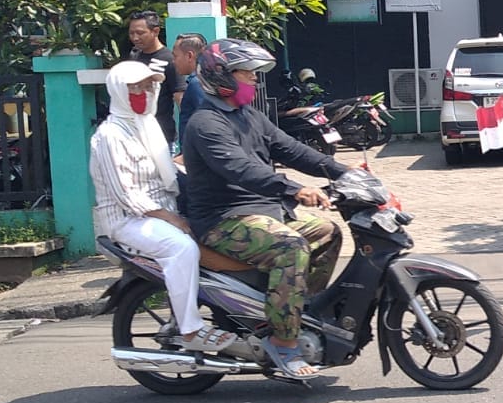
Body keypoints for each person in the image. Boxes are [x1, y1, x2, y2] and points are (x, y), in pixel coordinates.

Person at [182, 38, 349, 381]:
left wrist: (344, 172)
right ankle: (283, 341)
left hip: (264, 211)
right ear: (222, 76)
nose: (256, 81)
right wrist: (296, 189)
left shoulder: (249, 116)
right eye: (248, 74)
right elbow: (242, 170)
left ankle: (299, 313)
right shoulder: (206, 124)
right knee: (291, 248)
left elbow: (292, 150)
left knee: (328, 233)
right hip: (224, 219)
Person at [89, 61, 237, 353]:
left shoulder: (146, 126)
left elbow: (169, 170)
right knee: (182, 248)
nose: (144, 92)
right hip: (129, 220)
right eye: (136, 87)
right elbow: (127, 195)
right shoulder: (110, 136)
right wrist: (174, 220)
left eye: (148, 86)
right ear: (119, 91)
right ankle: (191, 329)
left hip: (160, 212)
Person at [126, 9, 185, 144]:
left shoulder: (169, 60)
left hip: (161, 138)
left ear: (156, 31)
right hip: (135, 136)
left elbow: (180, 99)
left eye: (140, 33)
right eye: (131, 33)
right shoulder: (134, 58)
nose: (135, 38)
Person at [171, 32, 207, 151]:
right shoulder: (203, 79)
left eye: (175, 56)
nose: (173, 61)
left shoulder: (196, 84)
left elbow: (204, 124)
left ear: (189, 56)